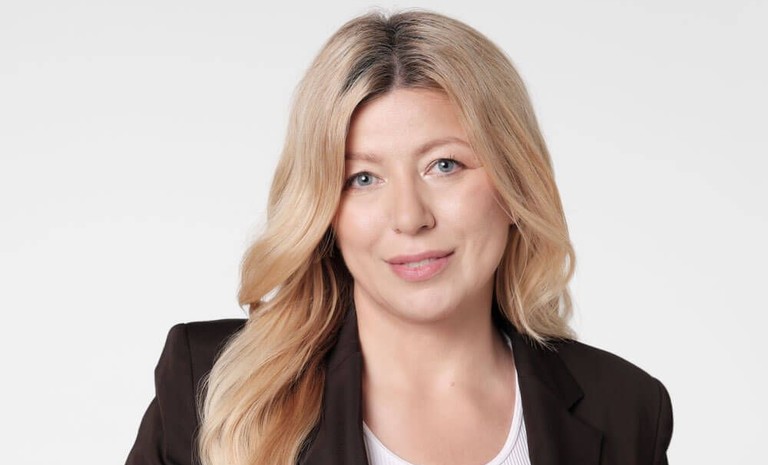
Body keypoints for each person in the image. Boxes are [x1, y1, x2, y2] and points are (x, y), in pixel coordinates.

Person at [126, 9, 673, 465]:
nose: (410, 218)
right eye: (363, 178)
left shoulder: (626, 410)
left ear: (514, 185)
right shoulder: (210, 391)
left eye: (444, 165)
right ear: (324, 211)